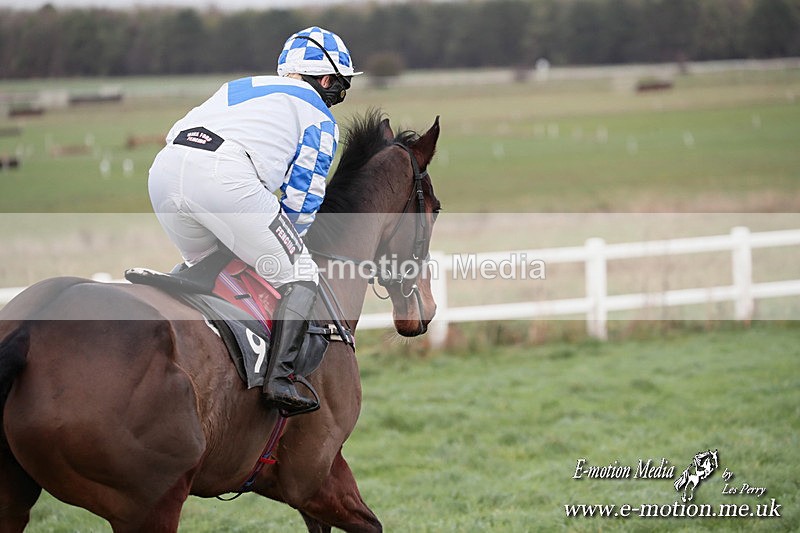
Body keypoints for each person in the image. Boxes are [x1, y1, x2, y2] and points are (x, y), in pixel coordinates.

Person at [148, 26, 360, 415]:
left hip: (163, 172)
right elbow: (303, 198)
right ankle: (280, 379)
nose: (336, 97)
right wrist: (289, 244)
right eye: (339, 87)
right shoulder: (318, 116)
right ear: (327, 80)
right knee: (301, 272)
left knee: (213, 266)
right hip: (224, 179)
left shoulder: (240, 86)